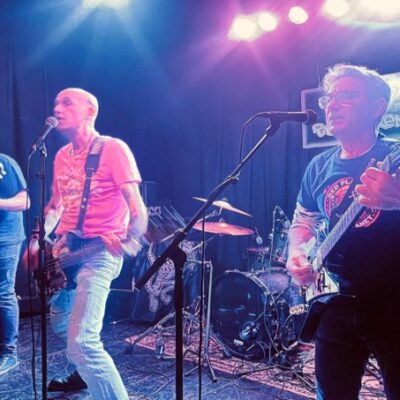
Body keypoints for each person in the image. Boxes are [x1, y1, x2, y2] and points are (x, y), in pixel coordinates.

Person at [286, 64, 400, 399]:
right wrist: (297, 253)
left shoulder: (394, 155)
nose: (333, 104)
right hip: (334, 303)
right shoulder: (318, 166)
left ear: (377, 107)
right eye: (329, 98)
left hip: (393, 302)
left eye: (347, 95)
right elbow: (303, 222)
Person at [33, 88, 148, 399]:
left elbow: (137, 208)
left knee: (82, 341)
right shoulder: (60, 156)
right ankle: (83, 371)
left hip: (99, 254)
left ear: (90, 111)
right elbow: (55, 206)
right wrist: (38, 239)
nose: (57, 108)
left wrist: (130, 239)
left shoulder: (113, 149)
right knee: (61, 323)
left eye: (67, 102)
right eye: (56, 102)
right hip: (66, 254)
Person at [0, 153, 29, 376]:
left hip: (6, 238)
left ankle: (9, 353)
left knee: (3, 293)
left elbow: (24, 201)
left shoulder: (5, 163)